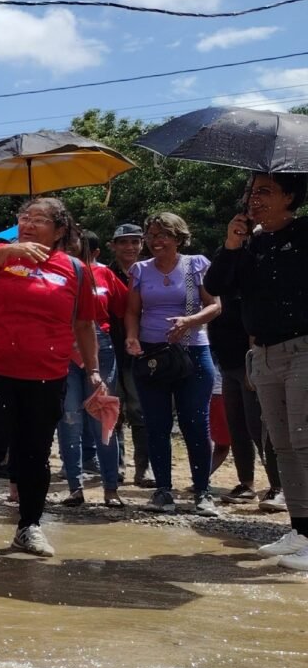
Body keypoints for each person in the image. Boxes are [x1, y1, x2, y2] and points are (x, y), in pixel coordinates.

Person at [0, 197, 103, 557]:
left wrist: (94, 370)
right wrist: (7, 254)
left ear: (60, 230)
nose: (29, 224)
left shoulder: (75, 269)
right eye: (25, 217)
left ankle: (29, 527)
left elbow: (84, 324)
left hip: (46, 376)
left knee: (34, 453)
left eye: (40, 219)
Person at [205, 171, 308, 567]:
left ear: (290, 197)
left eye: (265, 191)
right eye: (252, 191)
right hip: (263, 354)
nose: (254, 199)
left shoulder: (304, 235)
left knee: (304, 441)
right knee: (282, 445)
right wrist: (232, 244)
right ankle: (300, 528)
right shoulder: (252, 242)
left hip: (303, 349)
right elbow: (217, 284)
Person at [123, 212, 221, 515]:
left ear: (178, 238)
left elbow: (216, 305)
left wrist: (189, 321)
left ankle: (203, 492)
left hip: (192, 352)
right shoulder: (140, 270)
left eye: (163, 234)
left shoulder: (196, 265)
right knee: (157, 424)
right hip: (152, 354)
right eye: (151, 235)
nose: (156, 241)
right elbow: (131, 312)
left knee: (195, 422)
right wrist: (131, 337)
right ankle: (163, 491)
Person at [55, 230, 127, 507]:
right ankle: (75, 487)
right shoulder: (55, 273)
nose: (70, 249)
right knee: (69, 419)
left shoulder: (104, 274)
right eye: (65, 245)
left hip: (101, 347)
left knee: (102, 418)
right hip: (62, 350)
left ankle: (111, 489)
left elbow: (125, 307)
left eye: (75, 244)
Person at [207, 249, 282, 509]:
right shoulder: (221, 287)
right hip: (228, 365)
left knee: (259, 428)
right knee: (237, 428)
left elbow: (255, 326)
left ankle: (278, 486)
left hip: (250, 365)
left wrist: (253, 365)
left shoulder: (253, 285)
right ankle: (246, 484)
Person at [107, 223, 152, 488]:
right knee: (113, 413)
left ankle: (143, 469)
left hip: (141, 351)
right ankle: (116, 467)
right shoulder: (102, 274)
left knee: (140, 412)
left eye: (135, 242)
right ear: (113, 246)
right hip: (109, 350)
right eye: (123, 242)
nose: (129, 247)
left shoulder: (149, 273)